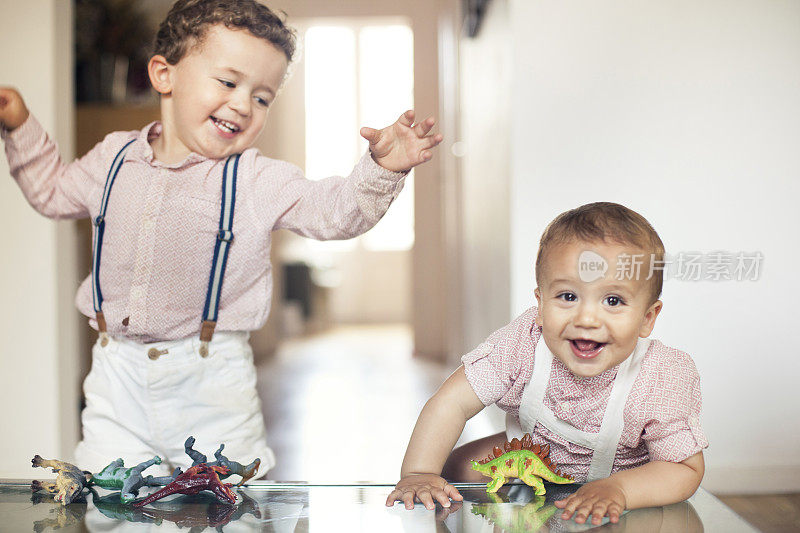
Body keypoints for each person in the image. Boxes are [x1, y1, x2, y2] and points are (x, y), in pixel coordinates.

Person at [0, 0, 441, 477]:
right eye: (228, 82)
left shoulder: (253, 178)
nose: (242, 104)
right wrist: (20, 125)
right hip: (116, 384)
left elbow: (334, 215)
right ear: (164, 75)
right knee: (111, 506)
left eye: (262, 97)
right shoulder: (113, 157)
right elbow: (51, 193)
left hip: (213, 390)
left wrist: (380, 170)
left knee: (229, 512)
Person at [386, 202, 708, 526]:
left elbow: (684, 468)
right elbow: (452, 402)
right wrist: (420, 471)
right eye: (568, 296)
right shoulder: (524, 342)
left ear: (647, 318)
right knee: (458, 467)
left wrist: (621, 489)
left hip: (623, 478)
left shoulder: (661, 375)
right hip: (529, 460)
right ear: (540, 306)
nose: (586, 319)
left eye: (613, 301)